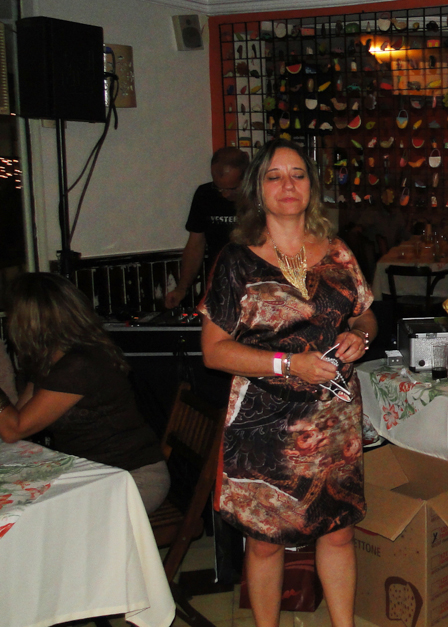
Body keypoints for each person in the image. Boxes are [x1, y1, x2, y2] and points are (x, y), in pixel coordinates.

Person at [199, 139, 377, 627]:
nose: (287, 185)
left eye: (297, 174)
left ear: (311, 186)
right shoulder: (236, 260)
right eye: (274, 176)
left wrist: (360, 336)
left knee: (338, 530)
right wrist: (288, 364)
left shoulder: (337, 251)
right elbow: (214, 351)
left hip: (333, 416)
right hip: (263, 420)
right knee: (264, 542)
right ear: (257, 188)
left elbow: (366, 314)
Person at [0, 272, 169, 514]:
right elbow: (15, 421)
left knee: (42, 517)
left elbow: (14, 429)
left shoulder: (79, 364)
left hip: (132, 478)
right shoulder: (52, 358)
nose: (9, 322)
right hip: (93, 474)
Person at [165, 146, 250, 308]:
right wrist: (182, 288)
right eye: (219, 188)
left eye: (232, 189)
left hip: (256, 286)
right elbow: (195, 245)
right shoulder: (205, 195)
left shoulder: (261, 197)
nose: (224, 194)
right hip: (218, 285)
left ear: (247, 177)